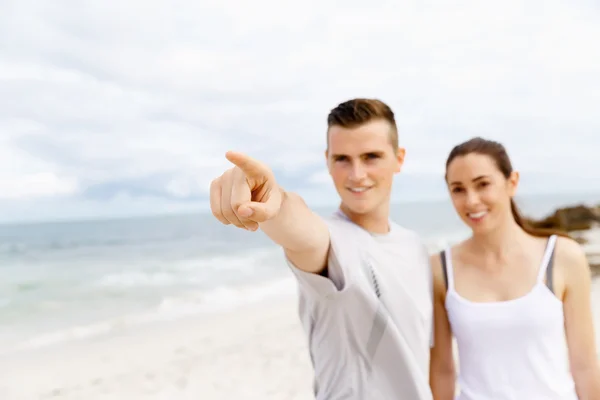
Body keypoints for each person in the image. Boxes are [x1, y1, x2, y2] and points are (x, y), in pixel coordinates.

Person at [209, 98, 435, 399]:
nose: (356, 174)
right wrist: (271, 199)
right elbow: (303, 231)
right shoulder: (333, 239)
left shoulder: (415, 246)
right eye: (342, 159)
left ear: (399, 158)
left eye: (371, 157)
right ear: (327, 161)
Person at [429, 137, 600, 400]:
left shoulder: (562, 256)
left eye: (483, 184)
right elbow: (442, 370)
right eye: (458, 189)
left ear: (512, 182)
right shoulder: (440, 269)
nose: (471, 200)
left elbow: (585, 366)